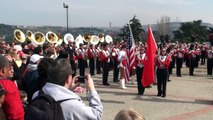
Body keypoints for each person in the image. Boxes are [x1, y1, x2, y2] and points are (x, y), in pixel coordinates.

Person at [32, 58, 103, 120]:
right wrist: (92, 89)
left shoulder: (37, 94)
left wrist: (68, 89)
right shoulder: (73, 105)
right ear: (68, 78)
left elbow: (56, 95)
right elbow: (96, 115)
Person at [0, 55, 25, 120]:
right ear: (3, 70)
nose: (12, 71)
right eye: (9, 68)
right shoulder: (7, 86)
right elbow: (16, 115)